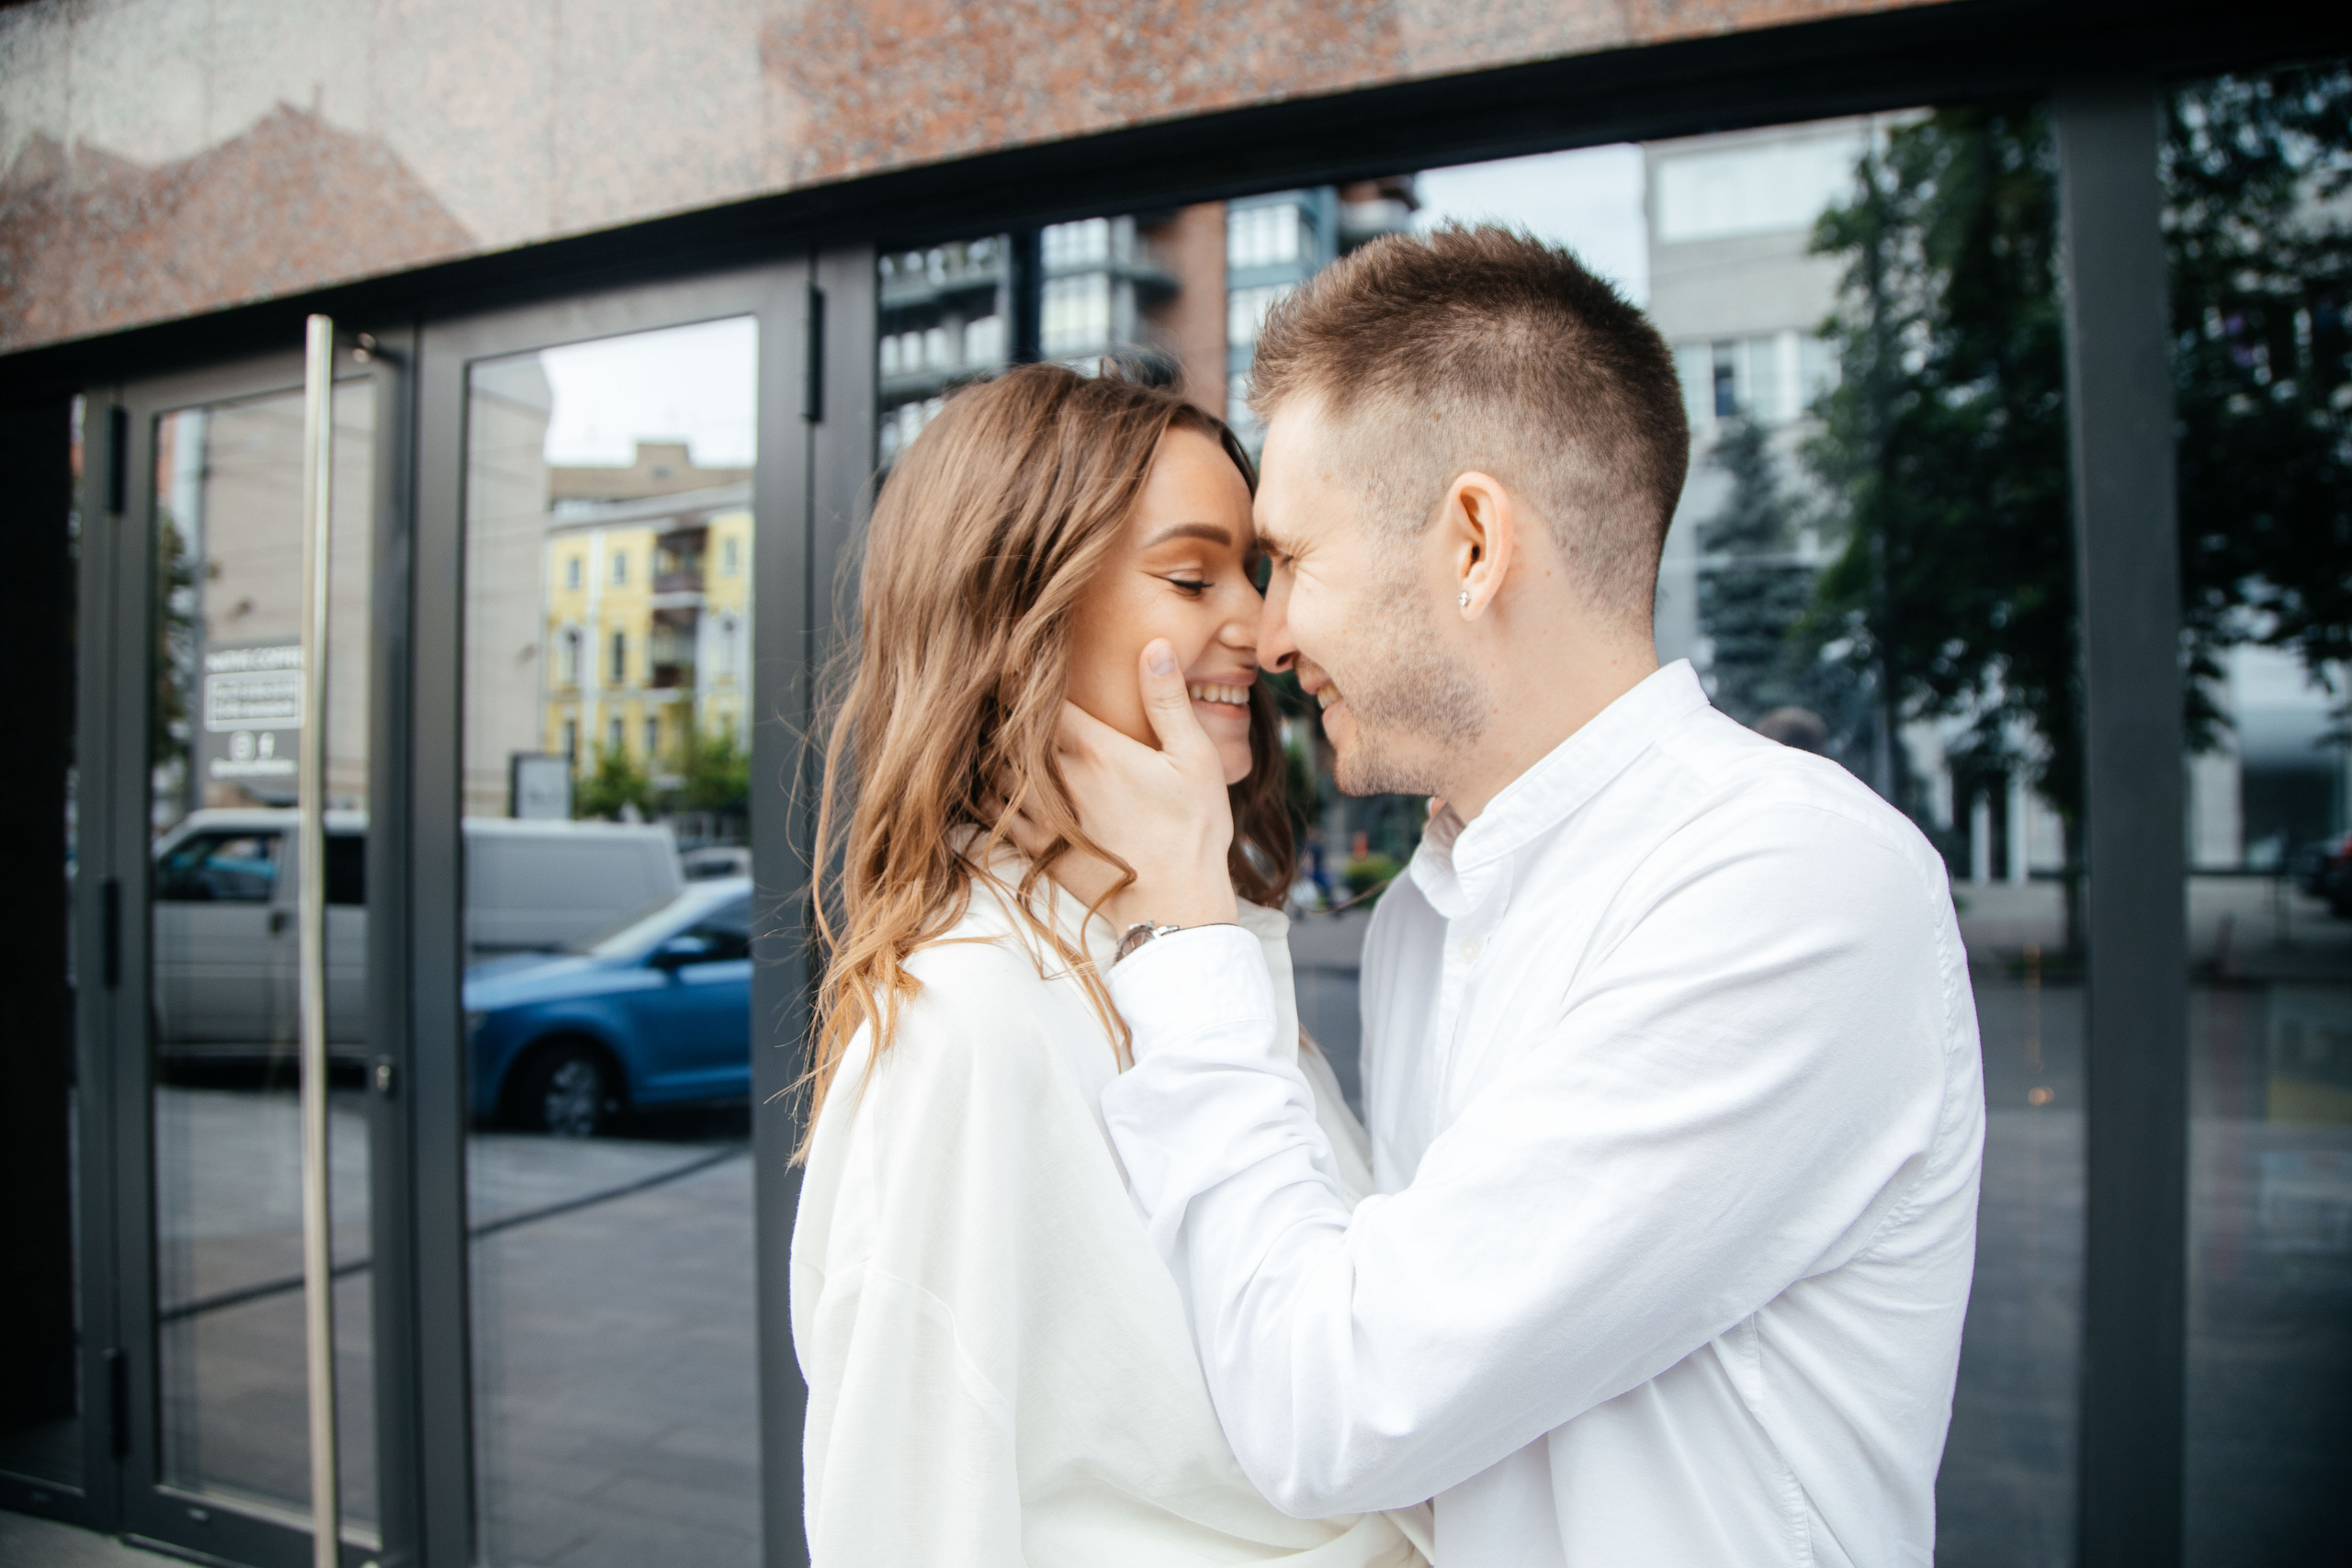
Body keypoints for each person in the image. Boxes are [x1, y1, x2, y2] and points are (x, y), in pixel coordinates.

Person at [1011, 228, 1987, 1566]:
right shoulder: (1427, 917)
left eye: (1293, 559)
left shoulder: (1793, 887)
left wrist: (1185, 936)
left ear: (1473, 543)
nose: (1271, 636)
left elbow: (1336, 1409)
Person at [789, 363, 1431, 1567]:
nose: (1263, 631)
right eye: (1192, 577)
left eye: (1256, 570)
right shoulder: (967, 1015)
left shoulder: (1199, 944)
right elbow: (901, 1523)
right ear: (1013, 613)